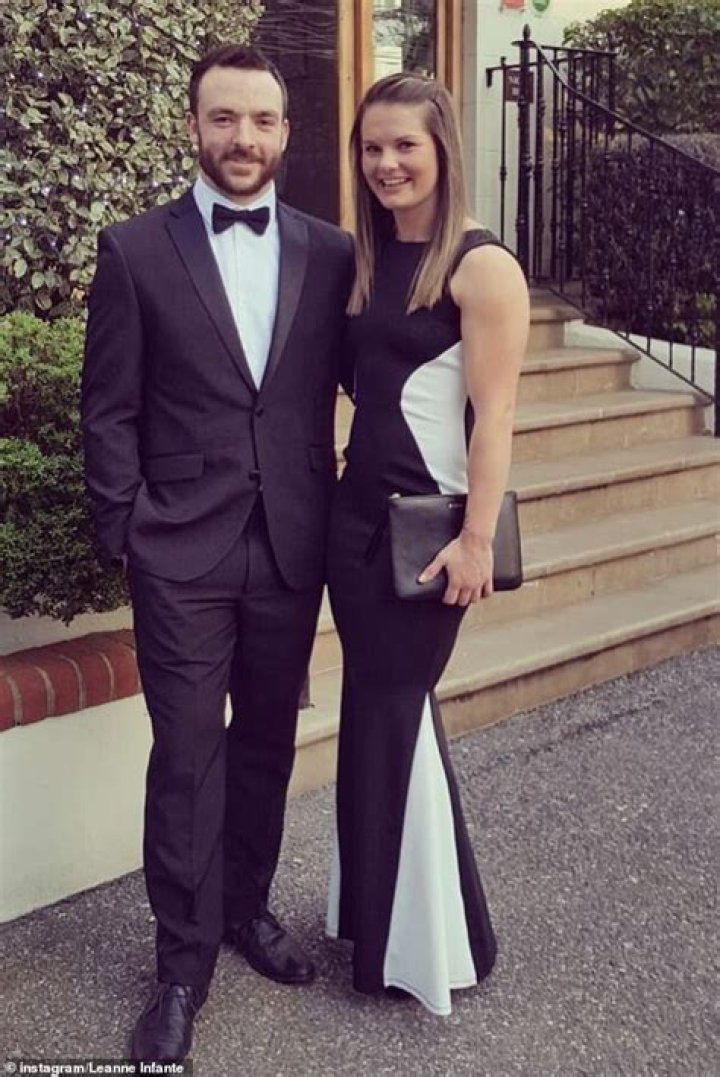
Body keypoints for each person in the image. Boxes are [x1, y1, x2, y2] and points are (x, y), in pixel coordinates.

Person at [82, 45, 353, 1062]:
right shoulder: (134, 250)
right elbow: (107, 407)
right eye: (225, 118)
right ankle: (180, 967)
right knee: (188, 756)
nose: (245, 138)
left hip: (291, 543)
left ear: (287, 132)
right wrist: (126, 529)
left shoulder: (332, 253)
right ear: (194, 126)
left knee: (267, 743)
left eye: (263, 120)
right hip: (179, 552)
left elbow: (377, 372)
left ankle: (246, 908)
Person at [326, 72, 529, 1015]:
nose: (386, 163)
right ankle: (384, 921)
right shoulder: (368, 258)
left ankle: (426, 946)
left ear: (442, 148)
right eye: (372, 147)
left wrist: (477, 539)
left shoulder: (481, 268)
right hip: (354, 524)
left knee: (397, 706)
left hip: (426, 534)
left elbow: (496, 418)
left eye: (404, 144)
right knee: (375, 712)